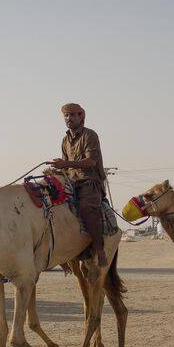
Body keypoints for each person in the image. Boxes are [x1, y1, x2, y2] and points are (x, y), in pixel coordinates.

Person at [48, 102, 108, 267]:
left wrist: (64, 164)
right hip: (71, 182)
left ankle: (99, 249)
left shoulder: (90, 135)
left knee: (86, 208)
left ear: (81, 116)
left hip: (89, 182)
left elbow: (91, 162)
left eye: (73, 115)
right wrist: (56, 171)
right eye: (66, 116)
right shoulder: (65, 140)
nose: (69, 118)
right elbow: (66, 167)